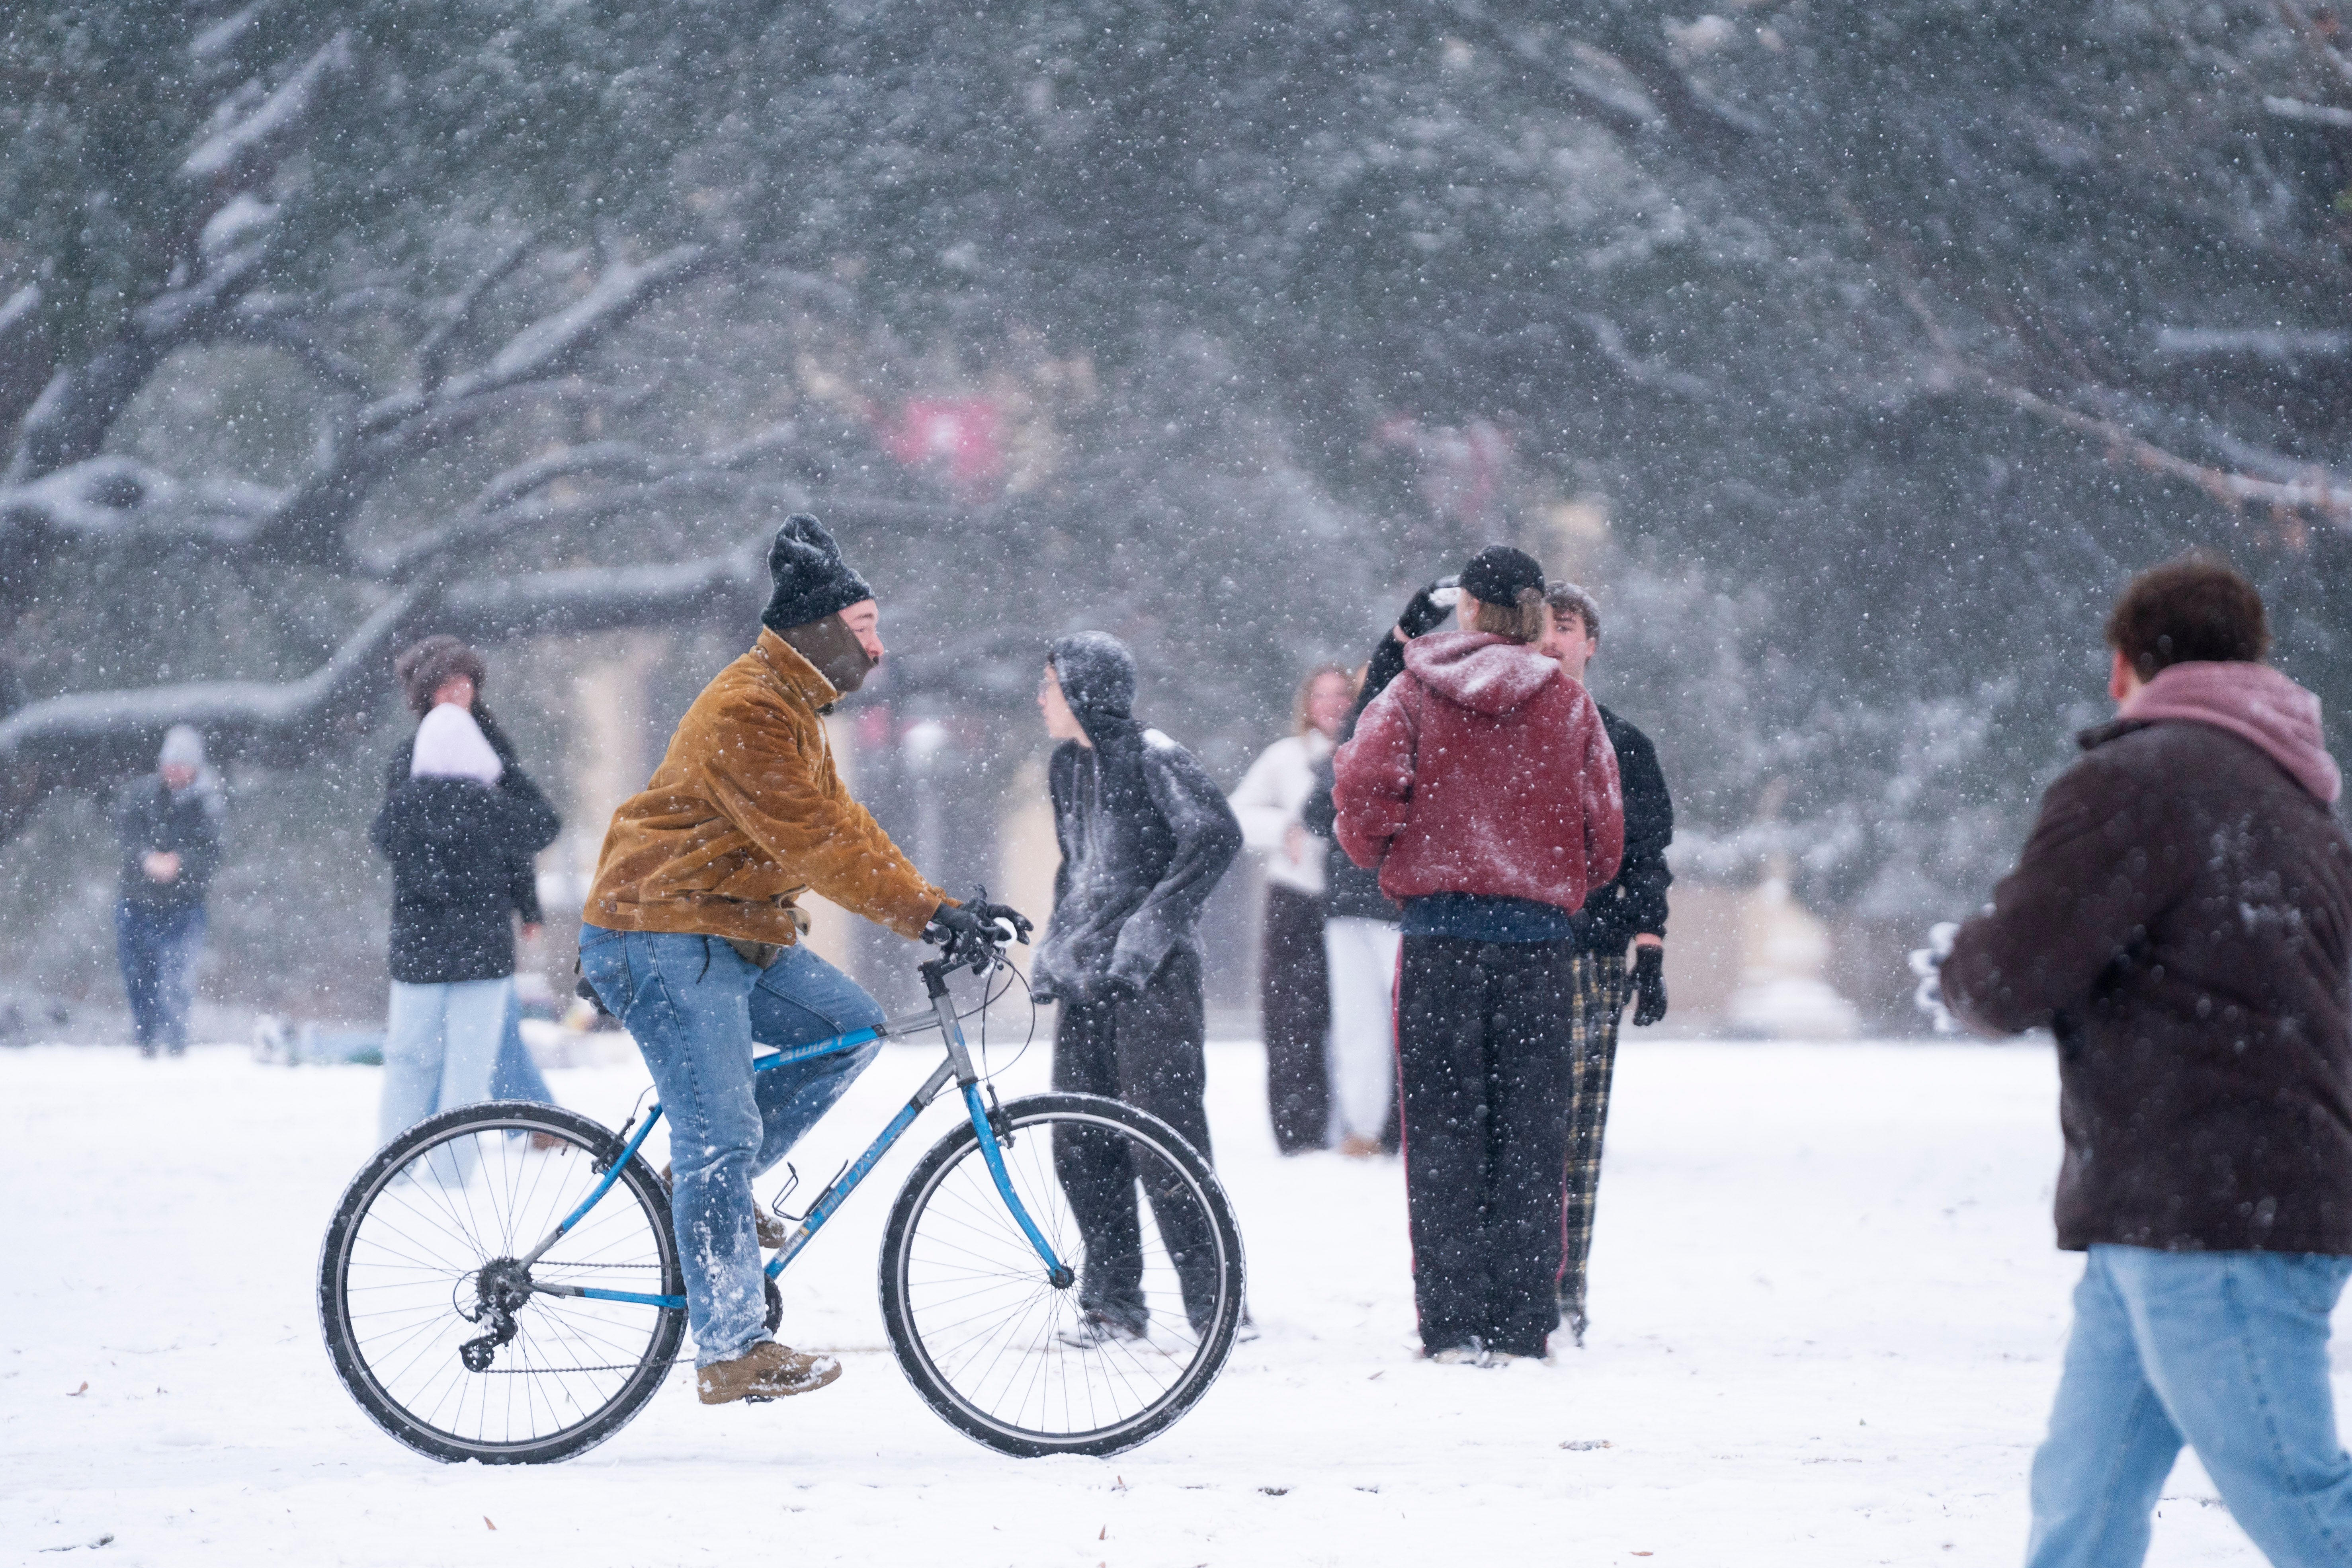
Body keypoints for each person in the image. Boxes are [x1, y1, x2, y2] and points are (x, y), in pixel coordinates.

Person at [1934, 556, 2352, 1568]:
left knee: (2304, 1505)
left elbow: (2009, 973)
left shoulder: (2133, 780)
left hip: (2208, 1211)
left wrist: (1957, 965)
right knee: (2084, 1498)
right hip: (2190, 1201)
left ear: (2125, 665)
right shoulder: (2297, 796)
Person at [577, 513, 1024, 1408]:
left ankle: (709, 1187)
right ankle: (732, 1347)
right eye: (865, 630)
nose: (879, 647)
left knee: (851, 1028)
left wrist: (942, 904)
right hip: (661, 930)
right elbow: (817, 842)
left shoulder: (793, 710)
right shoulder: (749, 708)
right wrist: (923, 913)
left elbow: (846, 826)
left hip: (730, 929)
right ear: (818, 633)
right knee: (721, 1132)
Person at [1334, 544, 1623, 1367]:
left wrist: (1391, 852)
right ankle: (1522, 1317)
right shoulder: (1568, 706)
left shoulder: (1408, 694)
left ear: (1466, 609)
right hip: (1535, 947)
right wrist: (1550, 869)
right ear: (1532, 613)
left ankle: (1451, 1319)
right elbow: (1604, 832)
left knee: (1440, 1133)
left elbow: (1359, 800)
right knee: (1533, 1139)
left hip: (1438, 941)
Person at [1031, 631, 1244, 1343]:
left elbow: (1215, 834)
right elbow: (1077, 869)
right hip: (1086, 982)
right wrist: (1055, 950)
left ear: (1086, 690)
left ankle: (1218, 1304)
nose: (1041, 697)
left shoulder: (1156, 754)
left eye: (1051, 684)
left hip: (1154, 980)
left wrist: (1150, 927)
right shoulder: (1065, 765)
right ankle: (1113, 1302)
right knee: (1079, 1142)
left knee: (1167, 1142)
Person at [1539, 581, 1673, 1347]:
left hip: (1590, 952)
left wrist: (1647, 950)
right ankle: (1518, 1283)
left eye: (1567, 627)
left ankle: (1566, 1288)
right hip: (1515, 943)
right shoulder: (1505, 732)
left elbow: (1647, 857)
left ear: (1591, 642)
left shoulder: (1623, 742)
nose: (1554, 641)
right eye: (1543, 628)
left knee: (1576, 1136)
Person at [372, 639, 562, 1156]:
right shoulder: (412, 758)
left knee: (460, 1048)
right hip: (462, 928)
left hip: (466, 925)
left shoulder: (491, 746)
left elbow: (522, 836)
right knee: (465, 1047)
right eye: (447, 684)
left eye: (466, 682)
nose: (459, 693)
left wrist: (527, 904)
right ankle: (527, 1119)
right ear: (426, 693)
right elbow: (525, 827)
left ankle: (520, 1121)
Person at [1228, 664, 1353, 1153]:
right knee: (1291, 1019)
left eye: (1343, 695)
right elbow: (1238, 814)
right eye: (1322, 696)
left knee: (1352, 1019)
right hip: (1294, 901)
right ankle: (1298, 1131)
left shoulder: (1368, 751)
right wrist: (1286, 828)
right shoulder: (1284, 758)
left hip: (1352, 904)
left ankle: (1354, 1126)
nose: (1333, 705)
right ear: (1307, 704)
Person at [114, 724, 223, 1057]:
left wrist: (180, 864)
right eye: (169, 761)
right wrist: (147, 860)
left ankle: (175, 1045)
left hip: (184, 906)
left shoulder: (209, 804)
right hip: (136, 901)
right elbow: (126, 840)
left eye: (181, 762)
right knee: (138, 977)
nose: (173, 769)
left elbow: (214, 852)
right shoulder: (141, 796)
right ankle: (145, 1042)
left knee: (176, 979)